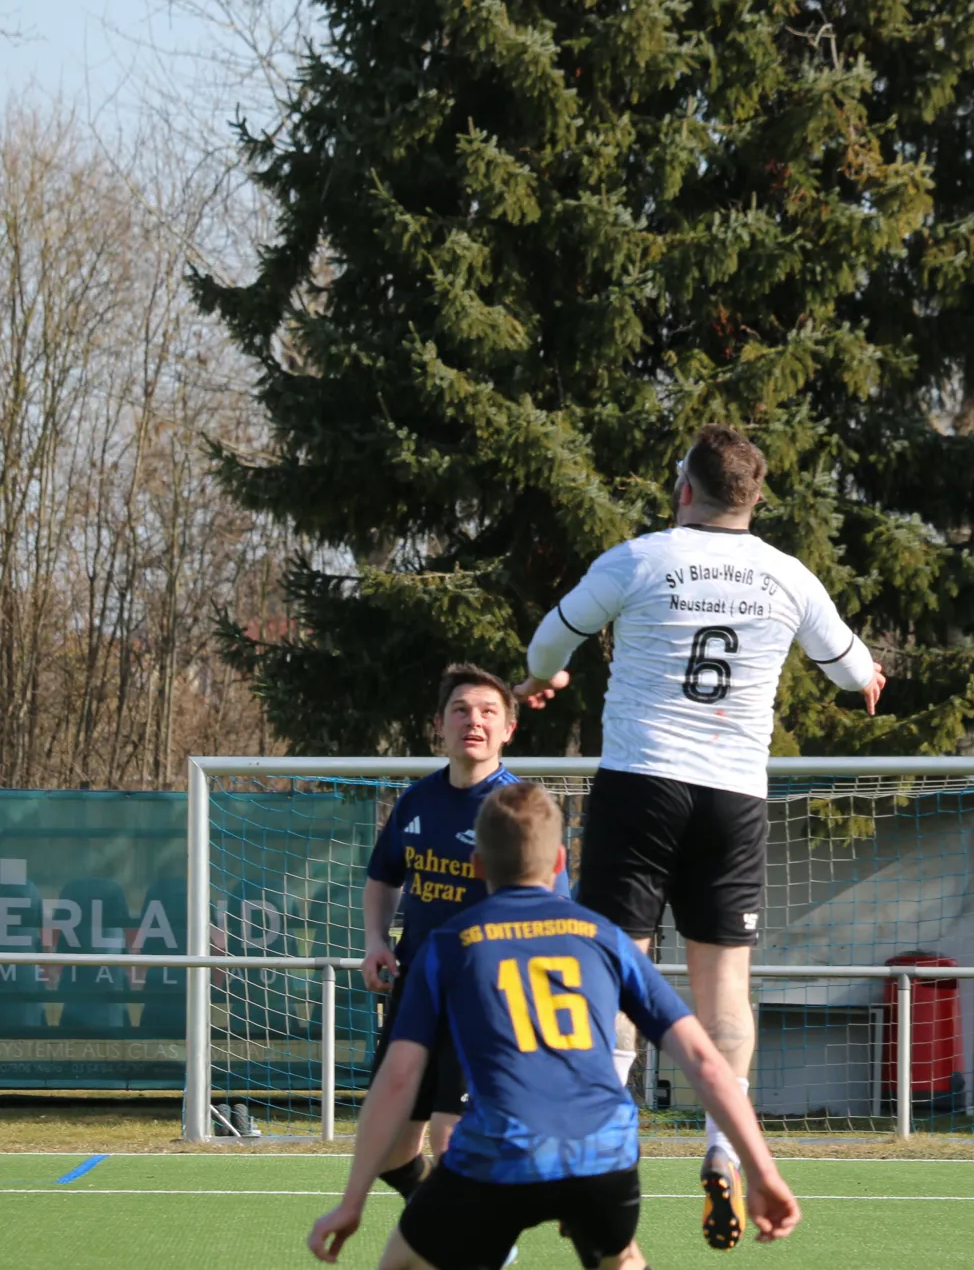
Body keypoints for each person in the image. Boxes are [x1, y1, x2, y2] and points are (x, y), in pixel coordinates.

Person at [514, 423, 882, 1248]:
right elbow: (854, 670)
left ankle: (600, 1148)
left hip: (641, 785)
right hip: (732, 799)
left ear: (684, 489)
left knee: (616, 971)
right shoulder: (788, 575)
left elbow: (548, 640)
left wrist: (541, 676)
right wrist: (867, 681)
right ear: (754, 497)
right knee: (724, 992)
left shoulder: (640, 558)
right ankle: (722, 1147)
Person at [308, 781, 799, 1270]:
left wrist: (352, 1202)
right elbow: (703, 1061)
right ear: (560, 861)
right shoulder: (605, 938)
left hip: (498, 1159)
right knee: (620, 1257)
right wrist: (762, 1170)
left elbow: (398, 1078)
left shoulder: (447, 945)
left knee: (402, 1263)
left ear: (477, 865)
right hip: (603, 1157)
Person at [360, 664, 564, 1202]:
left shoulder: (521, 810)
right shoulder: (415, 801)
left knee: (453, 1142)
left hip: (487, 997)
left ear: (508, 729)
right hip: (417, 991)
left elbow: (553, 911)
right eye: (461, 710)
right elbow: (383, 876)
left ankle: (471, 1238)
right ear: (439, 725)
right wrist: (376, 941)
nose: (474, 721)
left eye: (488, 712)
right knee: (388, 1149)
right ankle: (450, 1224)